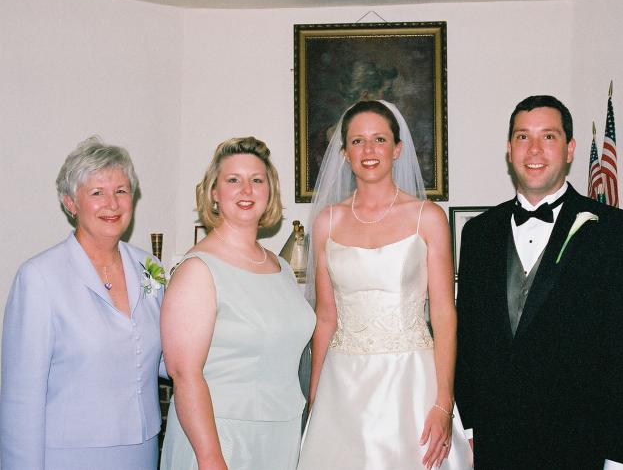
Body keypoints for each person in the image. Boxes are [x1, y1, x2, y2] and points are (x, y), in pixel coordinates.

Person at [455, 95, 623, 470]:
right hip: (495, 445)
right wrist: (468, 427)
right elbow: (468, 339)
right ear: (509, 149)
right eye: (522, 137)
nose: (534, 149)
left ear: (569, 149)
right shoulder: (478, 234)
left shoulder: (620, 234)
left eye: (548, 137)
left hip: (581, 447)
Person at [298, 100, 472, 469]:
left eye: (379, 139)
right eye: (357, 142)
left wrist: (444, 401)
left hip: (411, 381)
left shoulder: (428, 218)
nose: (369, 150)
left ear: (397, 148)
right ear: (345, 154)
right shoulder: (327, 222)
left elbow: (443, 313)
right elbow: (326, 317)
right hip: (342, 384)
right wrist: (315, 399)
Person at [0, 136, 165, 469]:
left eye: (121, 190)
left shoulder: (151, 268)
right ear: (70, 203)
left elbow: (166, 358)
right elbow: (21, 400)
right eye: (97, 193)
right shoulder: (39, 277)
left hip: (142, 451)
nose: (113, 204)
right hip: (68, 455)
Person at [159, 136, 315, 470]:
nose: (247, 190)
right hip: (221, 439)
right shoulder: (198, 270)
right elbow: (184, 373)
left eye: (257, 180)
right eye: (234, 180)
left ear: (269, 190)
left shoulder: (281, 266)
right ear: (214, 193)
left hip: (281, 435)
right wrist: (211, 458)